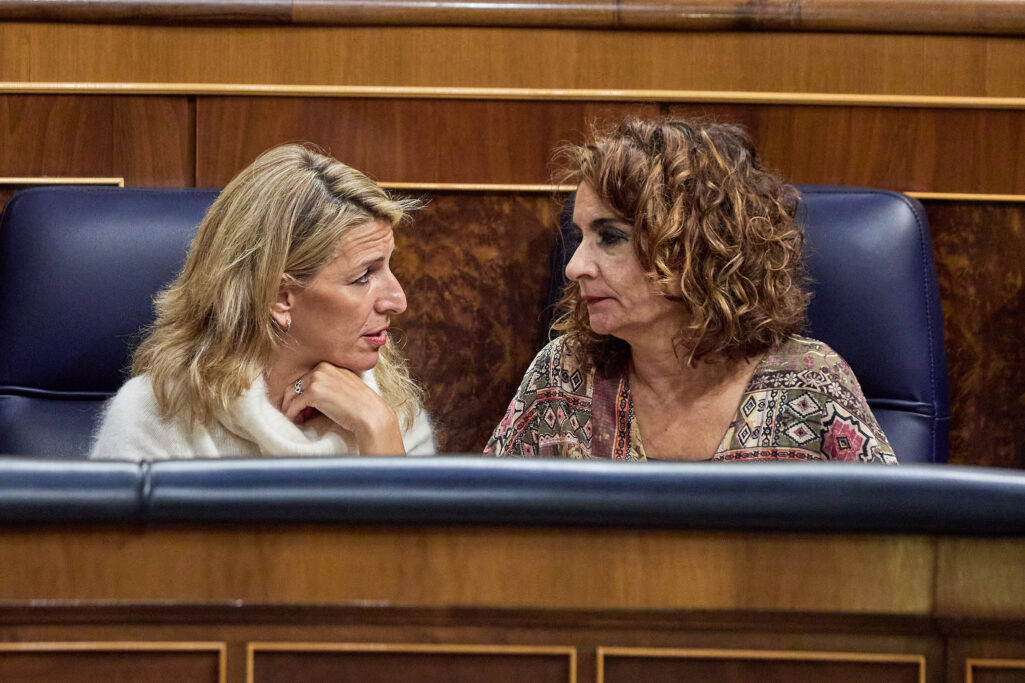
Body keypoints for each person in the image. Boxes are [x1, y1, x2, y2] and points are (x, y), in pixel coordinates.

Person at [485, 118, 896, 463]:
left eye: (610, 237)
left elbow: (895, 550)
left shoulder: (811, 385)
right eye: (580, 238)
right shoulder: (564, 375)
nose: (575, 268)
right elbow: (483, 536)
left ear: (694, 247)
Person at [90, 144, 435, 459]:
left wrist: (379, 435)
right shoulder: (158, 416)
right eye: (364, 276)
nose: (397, 300)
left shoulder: (391, 406)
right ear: (280, 298)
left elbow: (420, 531)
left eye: (389, 266)